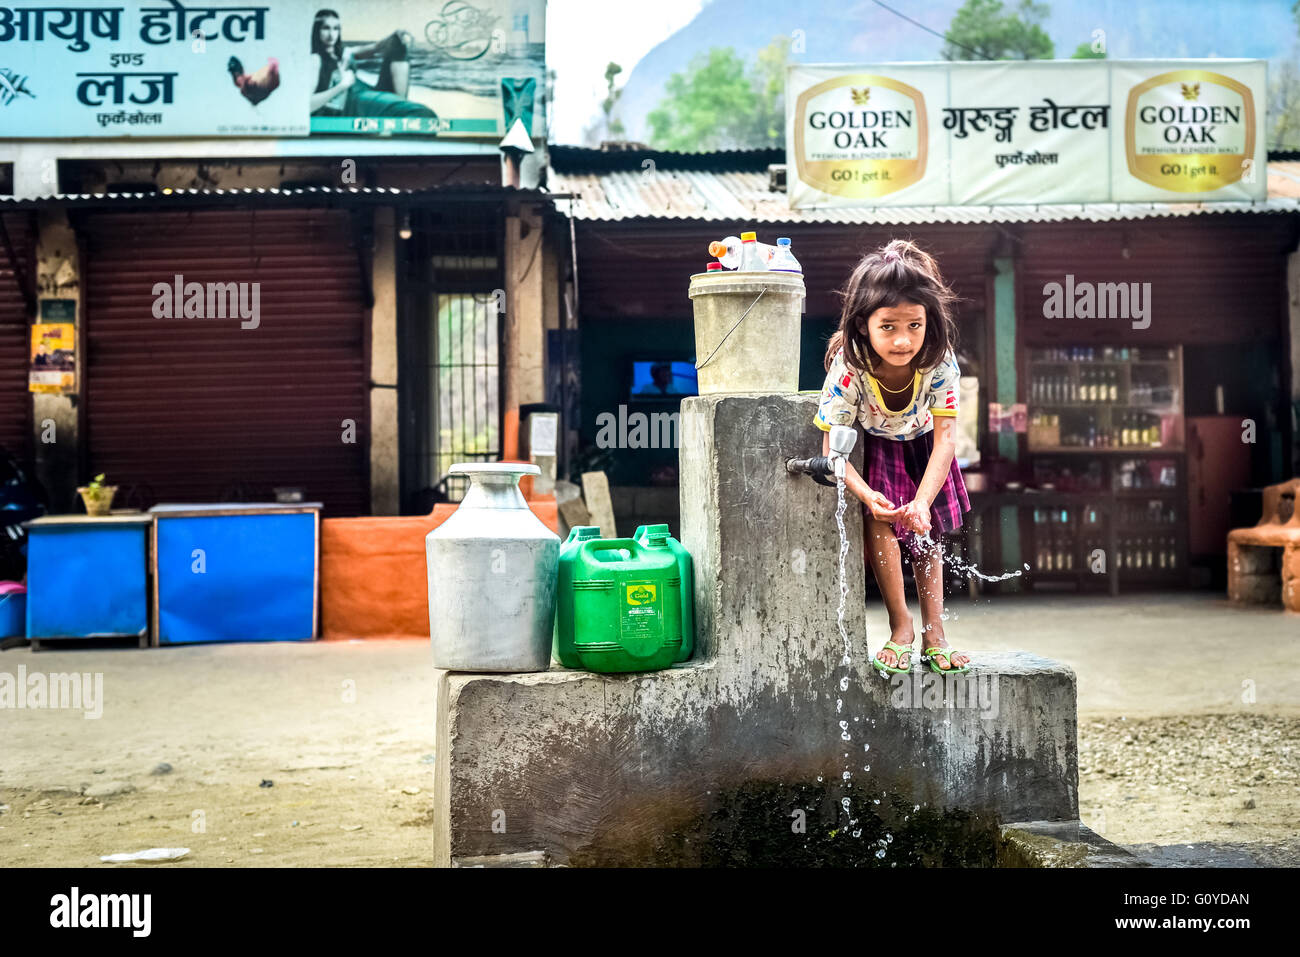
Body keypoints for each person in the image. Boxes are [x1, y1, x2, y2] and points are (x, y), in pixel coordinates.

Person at [813, 238, 971, 675]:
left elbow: (946, 440)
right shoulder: (849, 368)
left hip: (926, 447)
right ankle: (901, 628)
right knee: (882, 523)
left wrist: (921, 502)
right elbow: (831, 449)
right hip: (876, 445)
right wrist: (866, 496)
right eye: (888, 327)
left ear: (929, 322)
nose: (903, 340)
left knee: (927, 534)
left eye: (914, 326)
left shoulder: (939, 361)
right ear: (863, 325)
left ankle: (934, 633)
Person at [310, 9, 436, 119]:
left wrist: (395, 36)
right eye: (326, 28)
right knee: (421, 114)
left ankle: (399, 106)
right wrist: (342, 86)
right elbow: (307, 105)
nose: (332, 34)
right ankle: (397, 111)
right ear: (317, 30)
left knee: (397, 45)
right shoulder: (315, 59)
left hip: (366, 92)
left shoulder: (343, 53)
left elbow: (377, 47)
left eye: (336, 28)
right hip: (354, 102)